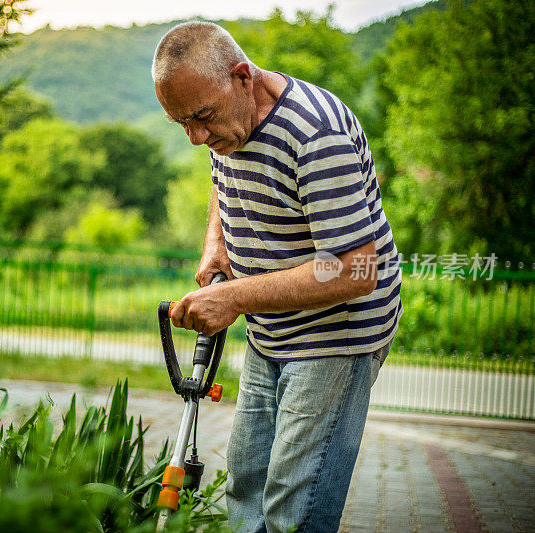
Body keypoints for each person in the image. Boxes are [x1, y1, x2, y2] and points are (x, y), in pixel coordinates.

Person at [151, 22, 402, 533]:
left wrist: (238, 297)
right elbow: (223, 176)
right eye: (182, 124)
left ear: (243, 77)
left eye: (201, 118)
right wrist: (216, 246)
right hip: (273, 331)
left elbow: (358, 268)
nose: (197, 138)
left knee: (294, 507)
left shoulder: (316, 134)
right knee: (246, 484)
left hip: (336, 336)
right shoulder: (231, 125)